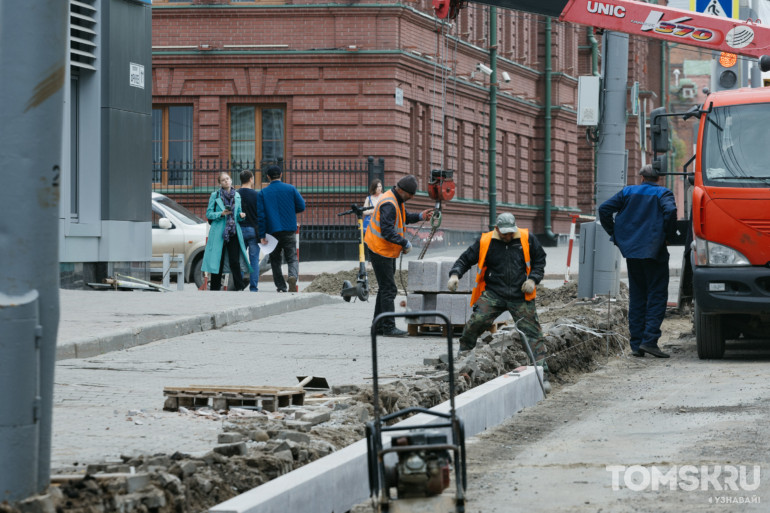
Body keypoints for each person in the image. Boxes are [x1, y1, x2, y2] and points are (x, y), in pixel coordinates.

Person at [447, 212, 550, 391]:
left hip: (520, 294)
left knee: (532, 333)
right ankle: (462, 357)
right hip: (495, 292)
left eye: (511, 233)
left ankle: (542, 373)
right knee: (477, 321)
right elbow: (465, 259)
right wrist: (455, 274)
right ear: (496, 229)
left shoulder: (527, 239)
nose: (508, 237)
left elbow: (539, 260)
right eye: (505, 234)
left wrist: (533, 279)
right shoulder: (486, 241)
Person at [599, 164, 677, 358]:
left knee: (638, 296)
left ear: (642, 177)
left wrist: (616, 234)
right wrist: (666, 235)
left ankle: (636, 345)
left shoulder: (628, 192)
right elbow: (671, 212)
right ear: (658, 178)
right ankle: (649, 341)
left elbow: (604, 209)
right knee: (657, 295)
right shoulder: (663, 193)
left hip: (632, 252)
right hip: (655, 252)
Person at [364, 175, 433, 337]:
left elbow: (404, 217)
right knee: (389, 289)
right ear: (401, 190)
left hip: (384, 249)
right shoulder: (389, 203)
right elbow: (387, 231)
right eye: (410, 194)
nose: (412, 197)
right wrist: (404, 243)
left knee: (384, 288)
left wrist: (420, 216)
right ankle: (388, 327)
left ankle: (378, 325)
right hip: (380, 249)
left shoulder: (396, 200)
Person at [257, 165, 306, 293]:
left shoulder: (263, 193)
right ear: (281, 174)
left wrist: (262, 235)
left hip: (272, 231)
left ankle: (281, 286)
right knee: (292, 257)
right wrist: (290, 212)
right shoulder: (290, 188)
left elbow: (261, 216)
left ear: (267, 177)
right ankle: (292, 276)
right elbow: (301, 206)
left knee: (275, 260)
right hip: (289, 228)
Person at [202, 171, 252, 291]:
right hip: (219, 232)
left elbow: (238, 215)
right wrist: (221, 213)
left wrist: (241, 215)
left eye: (228, 179)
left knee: (235, 261)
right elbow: (209, 214)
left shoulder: (237, 195)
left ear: (231, 180)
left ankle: (239, 287)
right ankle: (214, 288)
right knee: (217, 259)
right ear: (219, 183)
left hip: (233, 231)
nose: (226, 181)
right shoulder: (215, 195)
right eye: (223, 180)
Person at [238, 169, 261, 292]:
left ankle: (240, 286)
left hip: (240, 230)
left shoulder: (236, 194)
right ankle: (253, 288)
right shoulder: (257, 195)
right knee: (254, 261)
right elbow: (260, 214)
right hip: (253, 230)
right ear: (251, 179)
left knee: (241, 260)